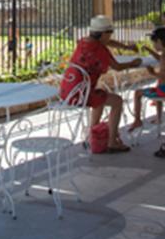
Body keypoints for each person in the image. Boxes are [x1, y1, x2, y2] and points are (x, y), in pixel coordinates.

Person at [60, 15, 141, 153]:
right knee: (117, 101)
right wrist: (133, 63)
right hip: (81, 94)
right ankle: (112, 142)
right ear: (103, 34)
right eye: (110, 33)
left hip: (68, 91)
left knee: (100, 97)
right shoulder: (99, 50)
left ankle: (91, 136)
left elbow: (107, 42)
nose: (110, 36)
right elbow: (117, 67)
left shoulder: (84, 42)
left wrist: (126, 47)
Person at [129, 27, 165, 158]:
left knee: (137, 93)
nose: (154, 45)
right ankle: (158, 118)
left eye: (154, 43)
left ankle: (137, 120)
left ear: (159, 41)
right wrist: (150, 51)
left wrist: (153, 73)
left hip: (164, 91)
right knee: (156, 89)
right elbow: (162, 60)